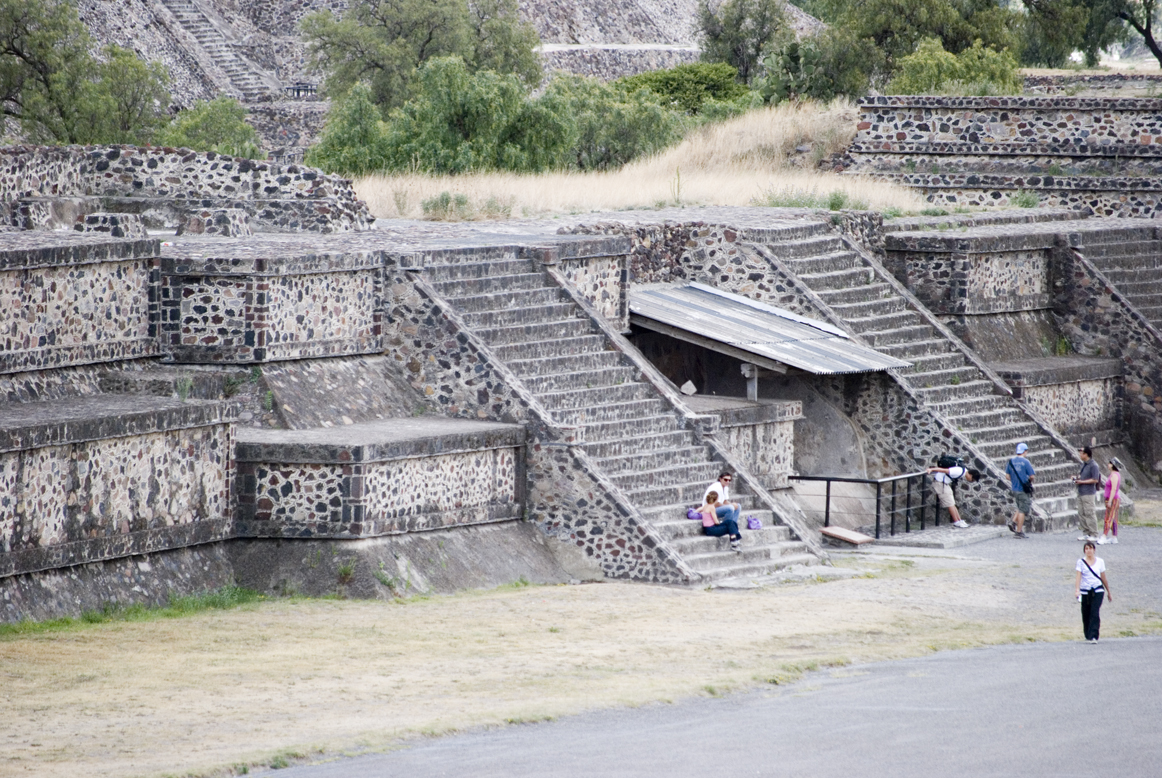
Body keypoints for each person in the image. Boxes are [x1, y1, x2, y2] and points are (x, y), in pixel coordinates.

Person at [1074, 540, 1111, 642]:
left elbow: (1103, 577)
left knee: (1095, 612)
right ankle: (1088, 635)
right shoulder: (1080, 562)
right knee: (1086, 613)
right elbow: (1078, 577)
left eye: (1090, 548)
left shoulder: (1100, 561)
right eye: (1086, 549)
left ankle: (1094, 635)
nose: (1088, 551)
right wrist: (1077, 590)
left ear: (1094, 550)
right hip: (1085, 591)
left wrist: (1108, 591)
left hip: (1097, 589)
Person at [926, 462, 981, 528]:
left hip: (944, 484)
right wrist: (932, 469)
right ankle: (956, 522)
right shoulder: (959, 471)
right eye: (972, 480)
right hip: (940, 483)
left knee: (952, 503)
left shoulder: (963, 471)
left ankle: (959, 520)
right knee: (950, 504)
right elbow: (944, 470)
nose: (971, 481)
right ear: (971, 475)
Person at [1005, 442, 1035, 539]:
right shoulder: (1026, 462)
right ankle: (1018, 531)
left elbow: (1007, 476)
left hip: (1014, 489)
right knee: (1023, 510)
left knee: (1019, 506)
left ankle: (1013, 522)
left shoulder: (1010, 462)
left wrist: (1015, 480)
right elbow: (1032, 476)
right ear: (1025, 451)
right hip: (1023, 489)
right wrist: (1027, 481)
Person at [1072, 447, 1102, 541]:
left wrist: (1082, 482)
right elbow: (1082, 476)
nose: (1080, 455)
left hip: (1088, 493)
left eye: (1081, 453)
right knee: (1081, 513)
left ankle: (1094, 533)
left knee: (1090, 513)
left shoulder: (1094, 465)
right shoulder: (1084, 464)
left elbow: (1095, 479)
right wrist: (1076, 478)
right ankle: (1086, 532)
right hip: (1081, 492)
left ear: (1086, 454)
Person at [1100, 457, 1123, 545]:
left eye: (1110, 463)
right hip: (1112, 498)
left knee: (1108, 517)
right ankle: (1114, 537)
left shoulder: (1114, 475)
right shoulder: (1113, 474)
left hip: (1113, 498)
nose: (1108, 464)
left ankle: (1104, 536)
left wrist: (1110, 501)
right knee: (1113, 518)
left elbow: (1113, 489)